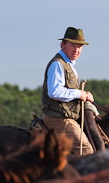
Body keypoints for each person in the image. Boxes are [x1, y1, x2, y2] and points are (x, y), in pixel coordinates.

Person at [41, 27, 104, 155]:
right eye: (72, 46)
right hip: (58, 119)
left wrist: (85, 95)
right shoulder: (58, 64)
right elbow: (54, 92)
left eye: (79, 47)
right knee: (87, 151)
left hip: (66, 116)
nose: (76, 50)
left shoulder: (69, 64)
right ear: (63, 45)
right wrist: (79, 94)